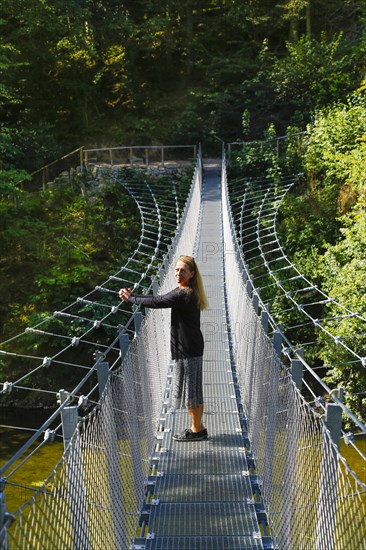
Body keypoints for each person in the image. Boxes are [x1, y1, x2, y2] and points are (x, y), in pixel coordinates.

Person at [119, 255, 209, 441]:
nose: (178, 273)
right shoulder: (186, 290)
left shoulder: (183, 294)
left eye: (182, 270)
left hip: (188, 348)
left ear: (191, 273)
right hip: (191, 346)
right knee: (194, 391)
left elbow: (157, 302)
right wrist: (134, 296)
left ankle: (196, 431)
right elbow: (158, 298)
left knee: (191, 393)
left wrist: (131, 299)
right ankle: (198, 428)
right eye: (176, 270)